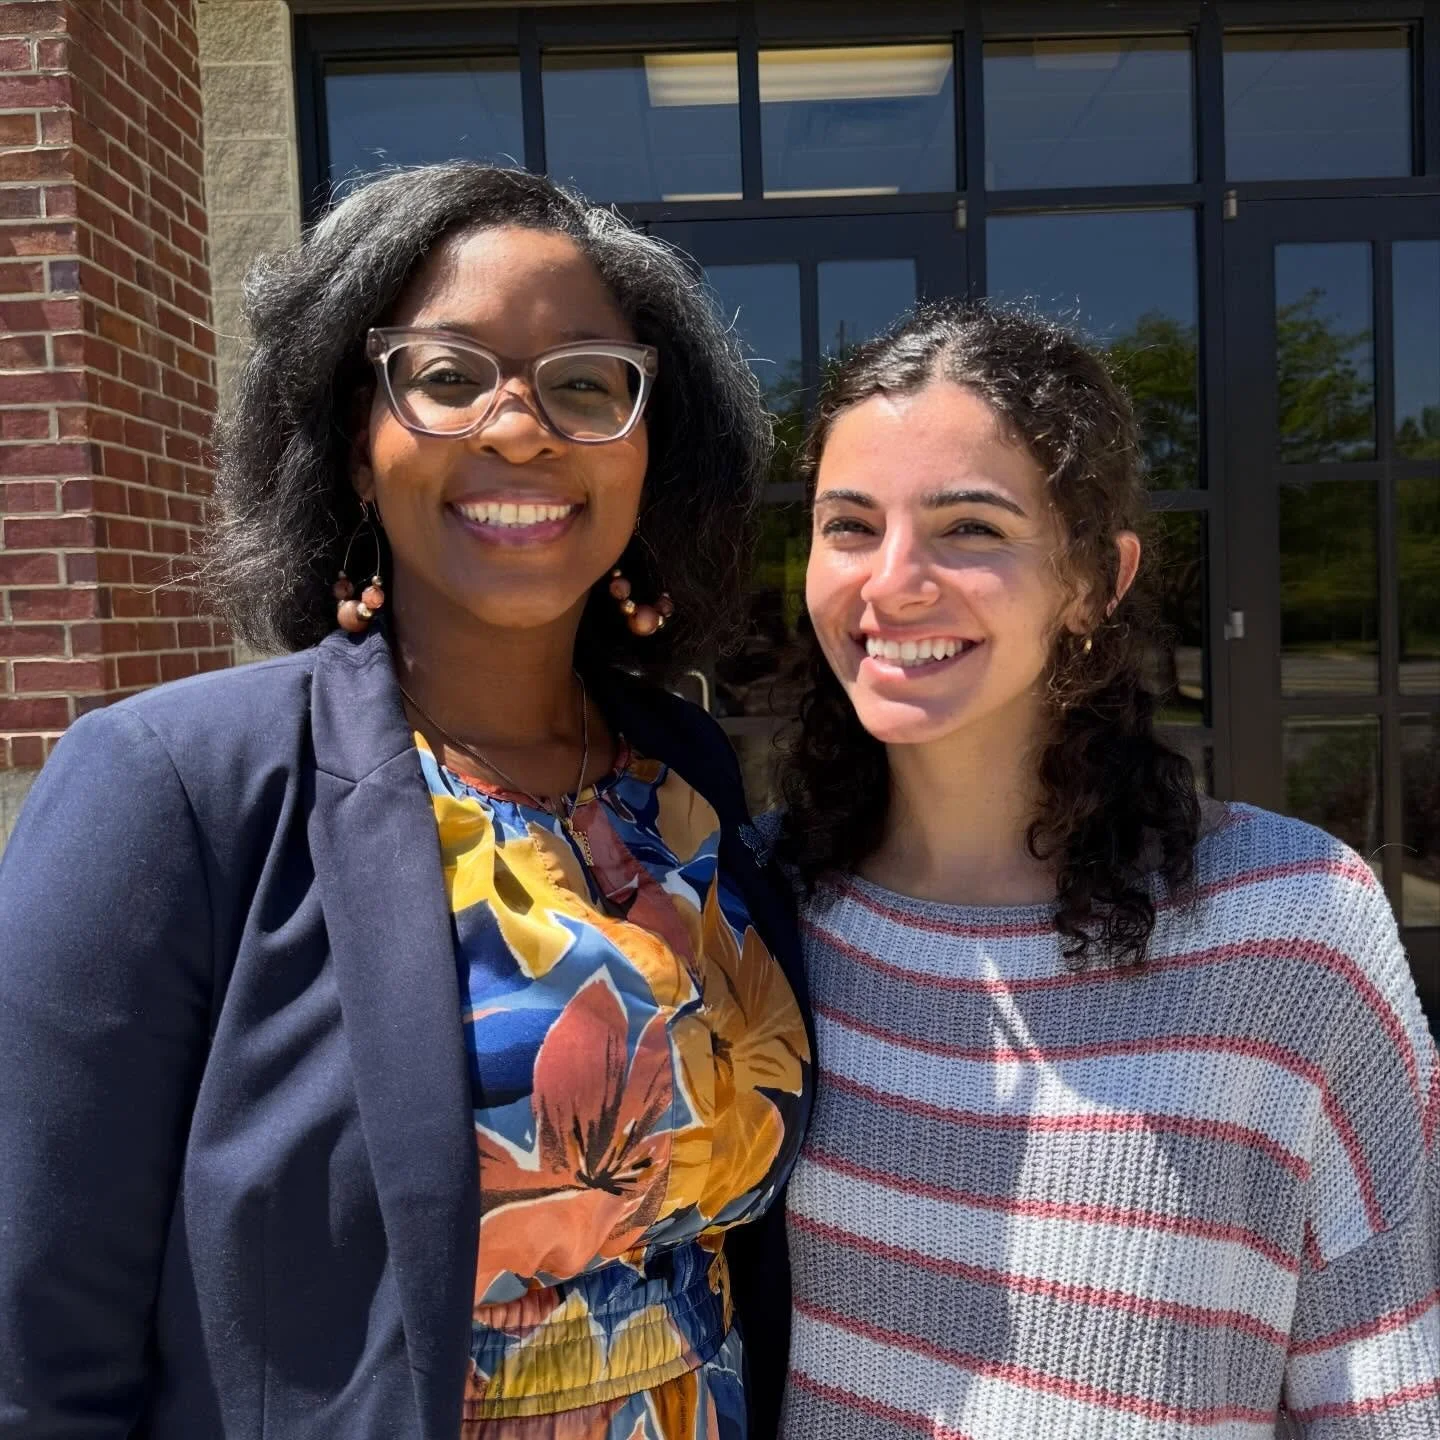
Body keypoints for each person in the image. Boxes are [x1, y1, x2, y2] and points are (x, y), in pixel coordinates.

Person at [0, 164, 813, 1440]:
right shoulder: (171, 791)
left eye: (586, 384)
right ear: (351, 443)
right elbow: (37, 1353)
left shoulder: (683, 774)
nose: (518, 429)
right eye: (448, 377)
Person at [774, 302, 1439, 1438]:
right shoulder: (758, 916)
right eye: (849, 525)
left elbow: (1385, 1386)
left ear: (1095, 579)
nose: (891, 583)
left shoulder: (1294, 926)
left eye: (970, 527)